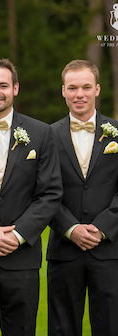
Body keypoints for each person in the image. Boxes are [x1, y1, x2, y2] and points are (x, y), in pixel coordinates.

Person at [0, 58, 62, 336]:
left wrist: (15, 237)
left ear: (15, 88)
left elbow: (50, 193)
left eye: (3, 85)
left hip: (22, 260)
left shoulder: (41, 133)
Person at [47, 60, 118, 336]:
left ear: (97, 89)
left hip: (110, 250)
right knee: (62, 327)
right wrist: (71, 228)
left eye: (86, 87)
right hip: (64, 251)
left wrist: (102, 228)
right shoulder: (46, 136)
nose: (80, 94)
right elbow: (41, 191)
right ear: (63, 91)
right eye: (73, 88)